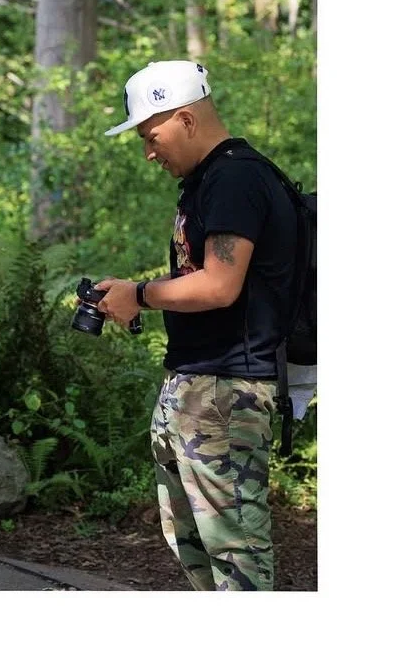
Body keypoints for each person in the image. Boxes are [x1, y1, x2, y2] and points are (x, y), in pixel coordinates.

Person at [95, 60, 301, 591]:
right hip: (196, 386)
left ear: (185, 118)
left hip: (225, 391)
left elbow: (219, 285)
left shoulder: (235, 178)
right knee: (195, 543)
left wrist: (139, 295)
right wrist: (131, 292)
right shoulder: (208, 180)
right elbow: (204, 279)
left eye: (151, 136)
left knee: (236, 553)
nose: (149, 152)